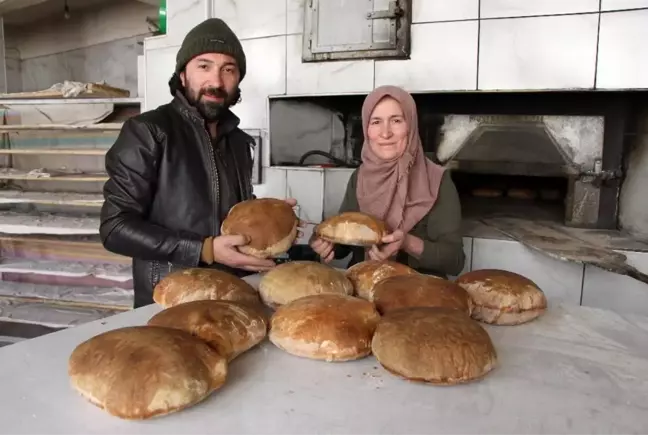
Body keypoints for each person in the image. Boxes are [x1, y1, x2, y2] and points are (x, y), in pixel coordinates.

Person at [100, 18, 295, 308]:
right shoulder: (148, 131)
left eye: (228, 70)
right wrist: (205, 249)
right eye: (204, 66)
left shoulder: (239, 141)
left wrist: (269, 218)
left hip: (234, 295)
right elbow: (115, 228)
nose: (216, 82)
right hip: (170, 300)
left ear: (238, 78)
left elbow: (230, 213)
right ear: (182, 75)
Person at [310, 85, 465, 278]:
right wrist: (325, 242)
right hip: (362, 284)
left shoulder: (437, 180)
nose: (385, 133)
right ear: (367, 129)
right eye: (376, 122)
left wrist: (408, 243)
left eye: (396, 121)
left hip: (418, 293)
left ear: (411, 125)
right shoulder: (360, 176)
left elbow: (455, 261)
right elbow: (346, 242)